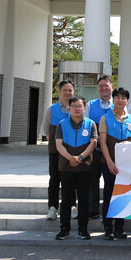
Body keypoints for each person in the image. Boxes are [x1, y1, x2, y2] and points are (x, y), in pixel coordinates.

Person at [54, 95, 97, 240]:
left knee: (83, 199)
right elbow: (58, 144)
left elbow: (93, 143)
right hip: (66, 166)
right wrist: (70, 158)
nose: (77, 109)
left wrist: (80, 158)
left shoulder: (90, 123)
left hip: (84, 167)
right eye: (74, 106)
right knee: (66, 199)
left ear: (84, 108)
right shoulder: (62, 124)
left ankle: (83, 229)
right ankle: (64, 229)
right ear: (69, 108)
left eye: (80, 106)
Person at [98, 87, 131, 241]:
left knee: (123, 195)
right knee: (109, 195)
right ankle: (108, 227)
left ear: (127, 100)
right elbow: (103, 142)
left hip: (126, 165)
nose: (120, 100)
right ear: (113, 99)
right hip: (110, 164)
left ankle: (119, 228)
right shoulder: (105, 118)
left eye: (123, 97)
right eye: (117, 97)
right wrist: (109, 162)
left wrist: (130, 142)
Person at [42, 80, 74, 221]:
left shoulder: (77, 107)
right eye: (65, 90)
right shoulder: (52, 109)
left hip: (73, 150)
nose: (68, 92)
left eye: (70, 90)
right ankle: (53, 207)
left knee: (71, 180)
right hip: (55, 151)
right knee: (54, 179)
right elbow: (47, 130)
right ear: (59, 91)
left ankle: (71, 206)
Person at [85, 75, 113, 220]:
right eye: (101, 86)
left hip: (112, 151)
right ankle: (93, 209)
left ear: (111, 87)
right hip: (95, 149)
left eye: (106, 85)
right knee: (92, 180)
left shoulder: (119, 104)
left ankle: (110, 210)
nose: (103, 88)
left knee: (110, 181)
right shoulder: (90, 105)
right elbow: (87, 126)